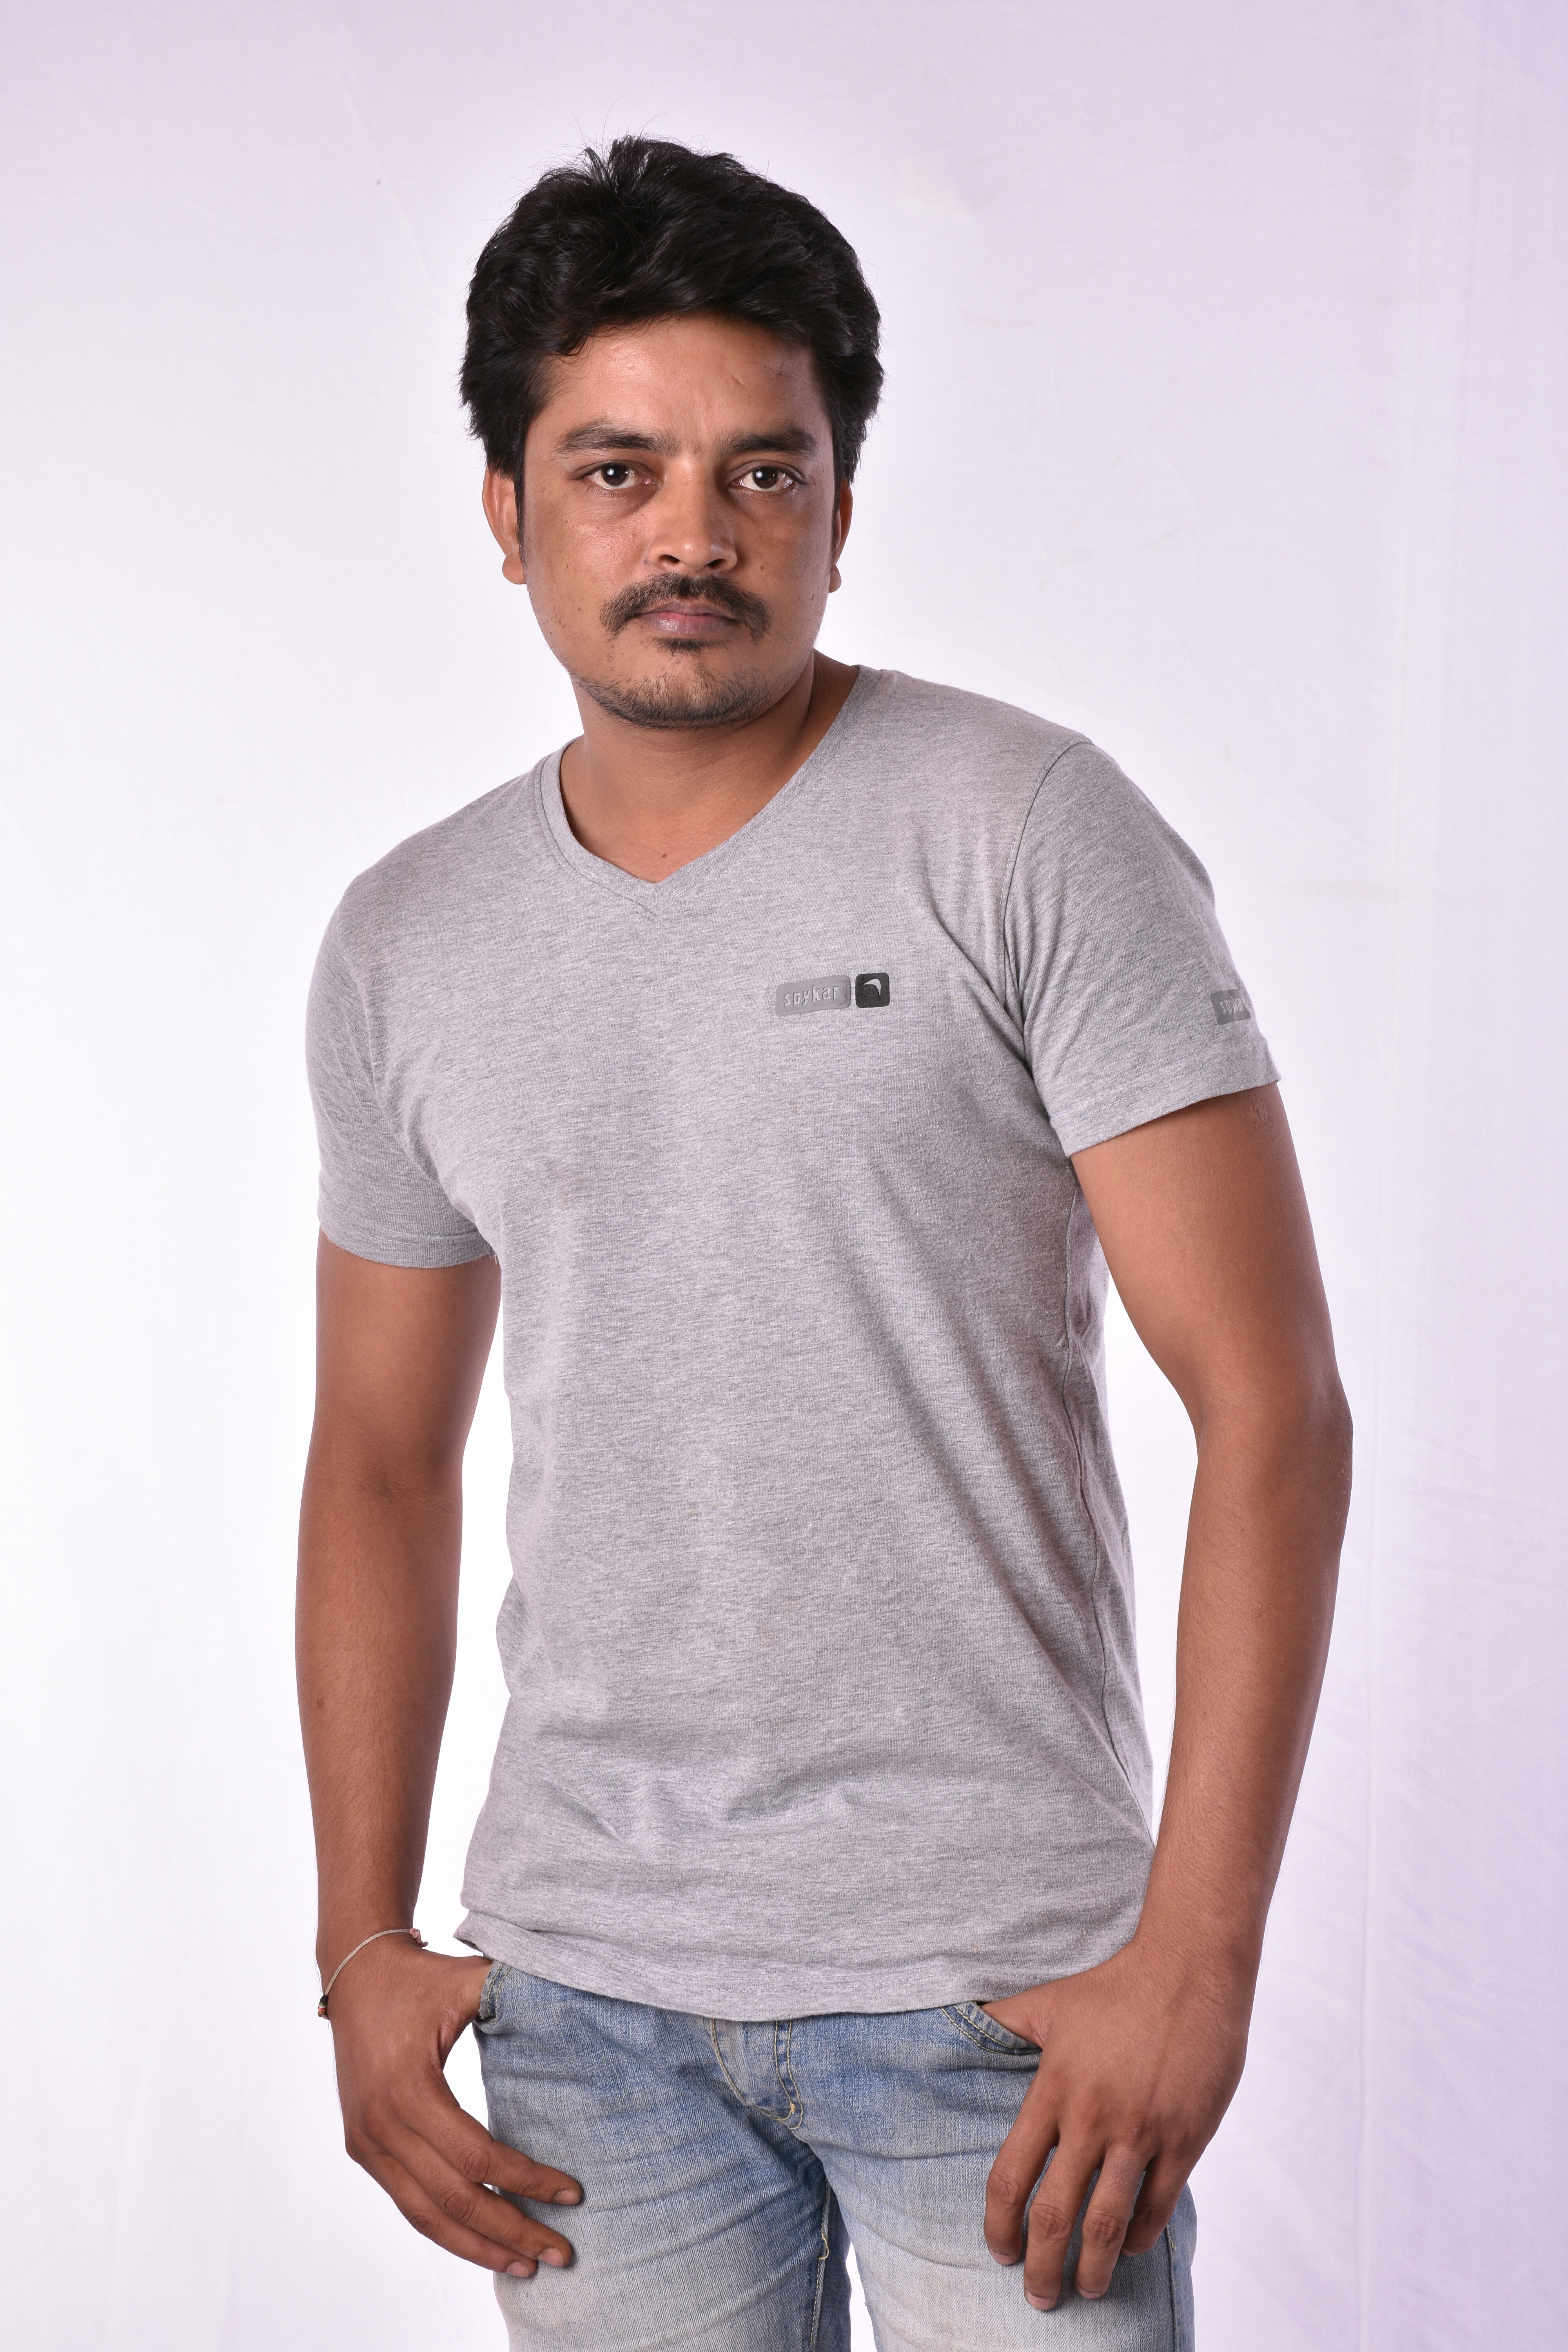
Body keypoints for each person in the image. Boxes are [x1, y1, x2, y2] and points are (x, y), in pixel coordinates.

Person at [298, 135, 1351, 2351]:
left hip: (1002, 2000)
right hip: (584, 2007)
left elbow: (1270, 1407)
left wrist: (1197, 1959)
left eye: (762, 473)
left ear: (842, 508)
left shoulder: (1025, 829)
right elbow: (380, 1459)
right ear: (506, 511)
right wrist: (361, 1944)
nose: (693, 533)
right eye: (617, 471)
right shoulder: (410, 939)